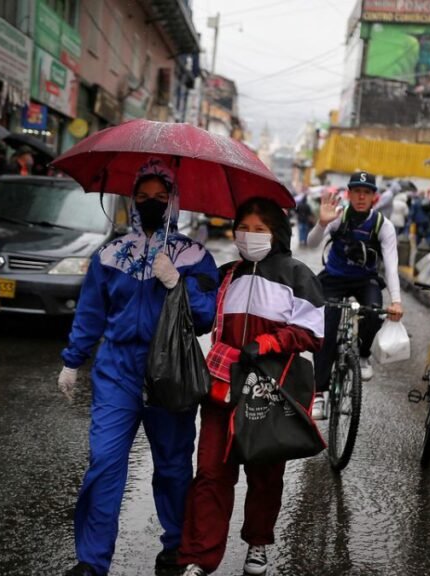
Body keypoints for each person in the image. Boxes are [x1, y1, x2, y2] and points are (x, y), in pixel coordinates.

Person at [59, 158, 219, 576]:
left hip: (170, 371)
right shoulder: (111, 254)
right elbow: (91, 312)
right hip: (117, 372)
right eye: (143, 196)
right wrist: (73, 360)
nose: (151, 203)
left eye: (160, 197)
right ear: (131, 200)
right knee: (104, 462)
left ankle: (176, 547)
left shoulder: (195, 256)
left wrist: (176, 282)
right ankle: (92, 561)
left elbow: (206, 315)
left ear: (174, 202)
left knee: (172, 466)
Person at [178, 198, 324, 576]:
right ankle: (200, 556)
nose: (250, 236)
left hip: (268, 391)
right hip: (223, 385)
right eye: (243, 228)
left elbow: (312, 332)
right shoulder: (227, 274)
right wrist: (173, 280)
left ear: (276, 233)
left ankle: (258, 542)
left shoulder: (297, 275)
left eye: (260, 229)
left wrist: (271, 342)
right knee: (210, 473)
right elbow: (198, 313)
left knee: (265, 475)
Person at [307, 171, 403, 419]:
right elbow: (311, 243)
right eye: (357, 192)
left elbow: (391, 266)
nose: (361, 197)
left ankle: (362, 354)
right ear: (349, 194)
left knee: (374, 313)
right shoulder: (338, 217)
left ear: (374, 197)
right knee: (325, 330)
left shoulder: (383, 225)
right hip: (334, 278)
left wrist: (396, 301)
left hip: (365, 280)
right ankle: (319, 393)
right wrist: (322, 223)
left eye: (366, 192)